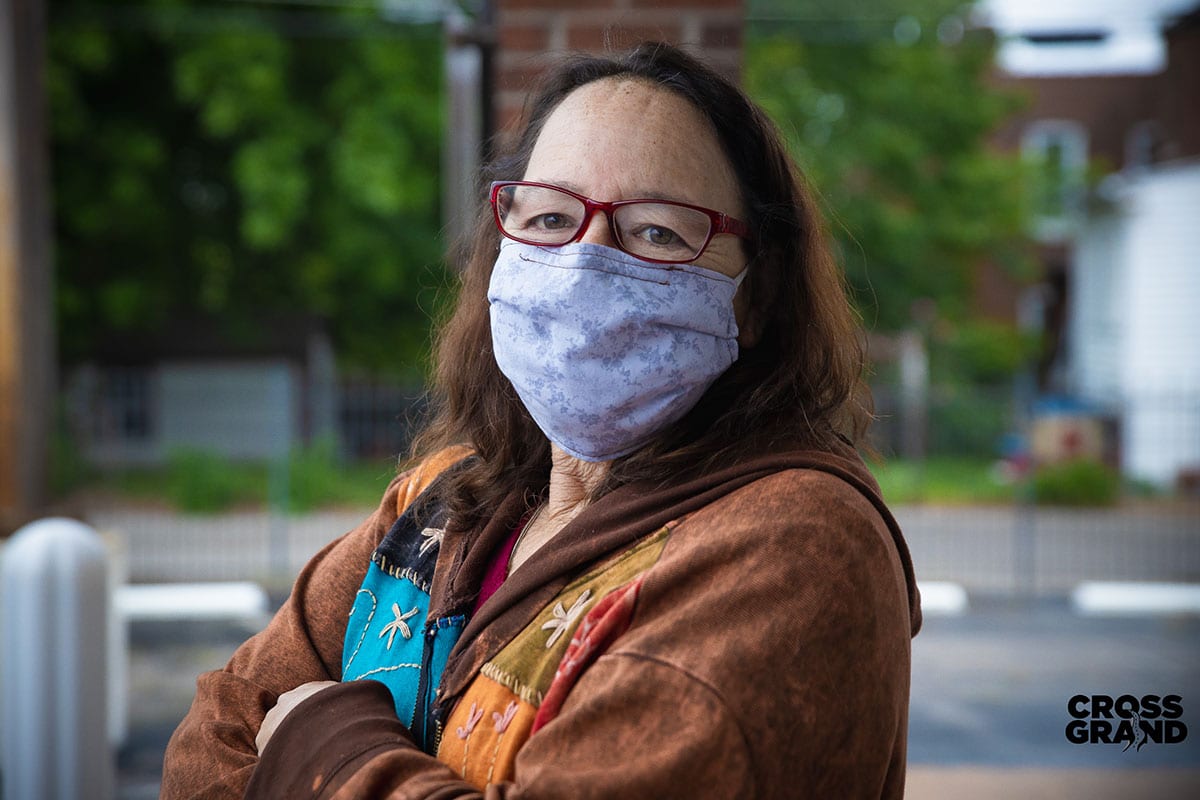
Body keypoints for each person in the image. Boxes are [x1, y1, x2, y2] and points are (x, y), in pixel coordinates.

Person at [162, 41, 921, 799]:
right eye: (552, 217)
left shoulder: (795, 542)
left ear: (756, 295)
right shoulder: (443, 501)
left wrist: (320, 740)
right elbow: (216, 729)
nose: (586, 261)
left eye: (657, 231)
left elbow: (274, 726)